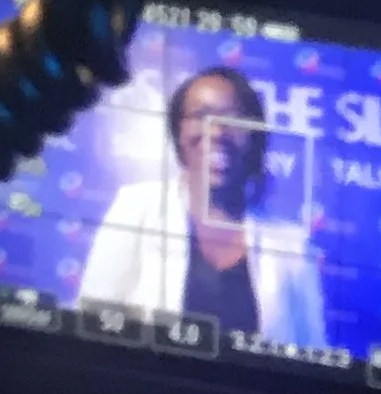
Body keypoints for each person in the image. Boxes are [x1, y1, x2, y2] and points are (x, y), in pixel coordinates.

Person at [77, 64, 327, 352]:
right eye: (200, 116)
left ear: (254, 137)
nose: (217, 131)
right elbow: (88, 321)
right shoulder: (137, 208)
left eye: (233, 118)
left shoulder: (292, 245)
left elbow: (312, 351)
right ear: (178, 133)